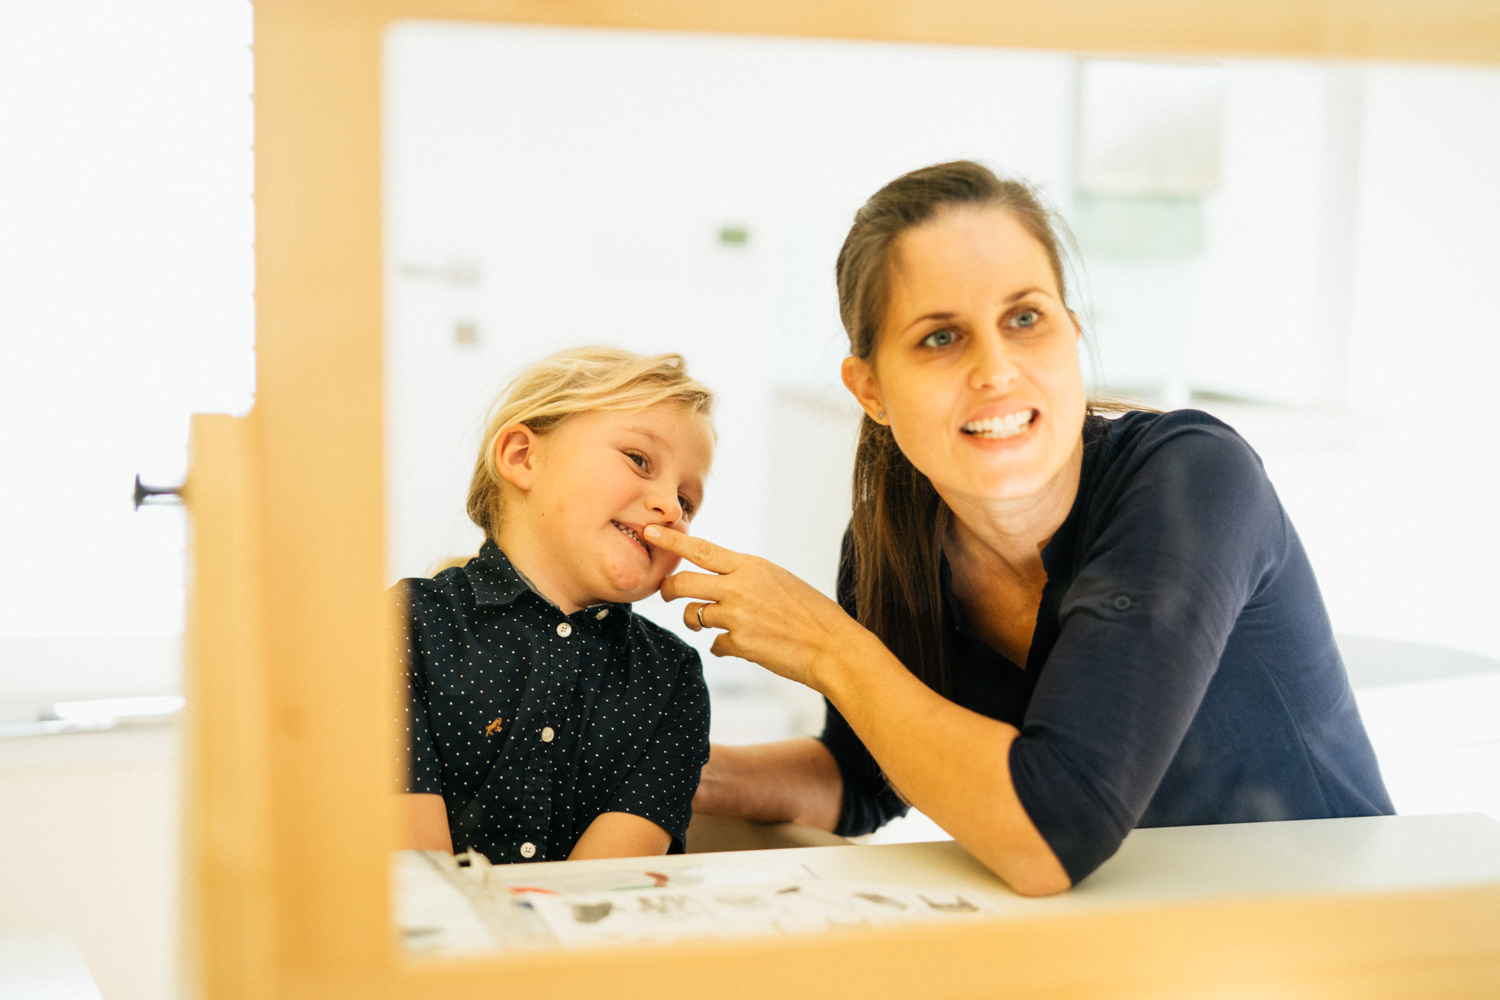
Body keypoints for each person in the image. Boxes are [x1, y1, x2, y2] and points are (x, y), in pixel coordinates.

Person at [645, 160, 1392, 896]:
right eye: (941, 337)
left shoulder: (1191, 479)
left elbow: (1051, 832)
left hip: (1329, 940)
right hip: (1124, 947)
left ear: (1070, 330)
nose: (996, 369)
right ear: (869, 388)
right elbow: (864, 777)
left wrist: (829, 647)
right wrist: (655, 764)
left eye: (1025, 318)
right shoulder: (892, 547)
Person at [395, 345, 716, 864]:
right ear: (522, 457)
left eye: (687, 501)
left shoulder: (673, 680)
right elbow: (417, 883)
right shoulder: (404, 626)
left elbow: (599, 896)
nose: (669, 508)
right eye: (639, 460)